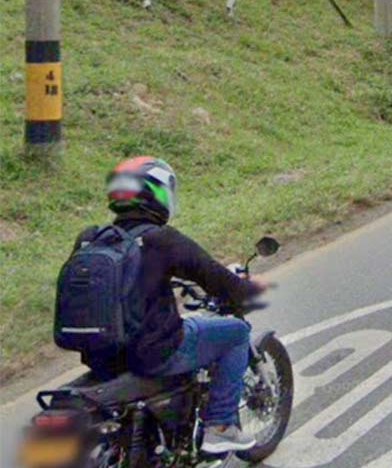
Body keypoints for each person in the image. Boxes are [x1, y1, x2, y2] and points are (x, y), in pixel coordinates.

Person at [73, 156, 264, 454]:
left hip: (100, 356)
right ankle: (221, 426)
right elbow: (216, 278)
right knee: (236, 332)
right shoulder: (161, 240)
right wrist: (247, 292)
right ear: (158, 192)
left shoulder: (91, 238)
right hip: (153, 353)